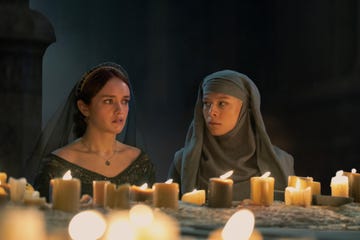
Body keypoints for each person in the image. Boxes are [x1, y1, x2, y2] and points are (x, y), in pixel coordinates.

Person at [31, 62, 155, 200]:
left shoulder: (140, 162)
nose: (119, 110)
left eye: (125, 101)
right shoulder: (57, 165)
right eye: (109, 101)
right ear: (84, 108)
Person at [168, 70, 294, 200]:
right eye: (206, 103)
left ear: (245, 108)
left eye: (222, 103)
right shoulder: (184, 162)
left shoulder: (281, 162)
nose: (212, 112)